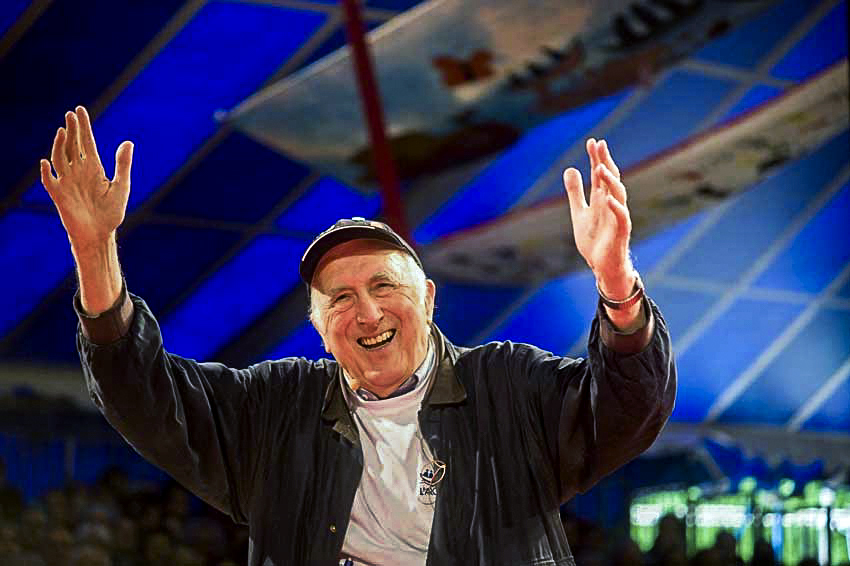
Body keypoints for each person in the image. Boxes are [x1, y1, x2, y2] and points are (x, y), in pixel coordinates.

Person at [40, 106, 676, 565]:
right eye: (339, 299)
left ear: (428, 299)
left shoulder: (507, 385)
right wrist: (95, 253)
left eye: (384, 286)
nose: (366, 312)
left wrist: (617, 284)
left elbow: (626, 406)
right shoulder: (276, 408)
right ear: (318, 329)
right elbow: (144, 394)